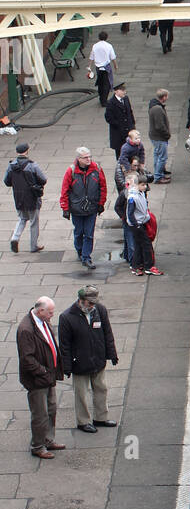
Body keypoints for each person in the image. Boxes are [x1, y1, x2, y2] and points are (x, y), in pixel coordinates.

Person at [58, 285, 118, 433]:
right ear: (81, 300)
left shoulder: (100, 310)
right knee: (81, 394)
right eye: (90, 303)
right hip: (80, 362)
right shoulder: (66, 317)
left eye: (94, 303)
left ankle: (101, 417)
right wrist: (67, 367)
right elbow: (64, 345)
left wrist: (112, 354)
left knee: (101, 389)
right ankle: (83, 421)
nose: (93, 306)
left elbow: (107, 334)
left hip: (98, 358)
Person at [16, 297, 65, 459]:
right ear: (40, 311)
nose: (52, 315)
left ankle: (48, 440)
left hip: (47, 376)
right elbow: (27, 359)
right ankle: (38, 446)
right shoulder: (26, 329)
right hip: (38, 379)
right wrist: (43, 371)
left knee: (51, 409)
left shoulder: (42, 321)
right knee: (40, 414)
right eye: (50, 312)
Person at [59, 146, 107, 270]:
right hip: (76, 208)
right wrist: (65, 207)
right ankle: (80, 250)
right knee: (79, 232)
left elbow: (103, 187)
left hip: (91, 207)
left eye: (89, 156)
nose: (88, 159)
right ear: (78, 159)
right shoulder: (71, 171)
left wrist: (101, 203)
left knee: (89, 234)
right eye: (85, 157)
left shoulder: (97, 169)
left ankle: (86, 257)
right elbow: (64, 190)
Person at [4, 140, 46, 254]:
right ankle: (33, 246)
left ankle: (15, 238)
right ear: (27, 151)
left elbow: (7, 182)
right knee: (33, 221)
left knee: (22, 218)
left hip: (18, 197)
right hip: (32, 198)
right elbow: (43, 179)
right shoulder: (32, 165)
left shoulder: (11, 166)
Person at [127, 175, 162, 276]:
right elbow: (130, 213)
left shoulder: (139, 193)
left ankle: (136, 266)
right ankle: (148, 266)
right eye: (143, 185)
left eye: (145, 184)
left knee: (139, 245)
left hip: (140, 222)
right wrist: (136, 225)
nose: (145, 186)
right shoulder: (133, 197)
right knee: (146, 245)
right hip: (138, 224)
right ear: (137, 185)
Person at [114, 154, 142, 263]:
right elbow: (117, 206)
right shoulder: (125, 193)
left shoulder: (139, 191)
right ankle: (133, 263)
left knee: (129, 239)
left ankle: (128, 257)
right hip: (128, 219)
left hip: (136, 218)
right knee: (131, 242)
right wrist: (124, 217)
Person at [104, 81, 135, 160]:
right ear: (116, 91)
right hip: (118, 134)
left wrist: (132, 125)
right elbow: (108, 118)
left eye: (124, 90)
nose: (125, 92)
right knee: (121, 156)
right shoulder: (111, 103)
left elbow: (130, 112)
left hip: (129, 132)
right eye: (122, 90)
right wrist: (119, 125)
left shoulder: (126, 99)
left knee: (132, 154)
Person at [88, 30, 117, 107]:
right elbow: (112, 57)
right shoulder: (109, 46)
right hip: (106, 67)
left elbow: (91, 56)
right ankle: (104, 101)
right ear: (106, 37)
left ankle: (101, 98)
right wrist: (115, 65)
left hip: (98, 67)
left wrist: (89, 66)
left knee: (100, 83)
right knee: (106, 84)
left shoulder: (95, 46)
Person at [148, 89, 171, 182]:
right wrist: (167, 134)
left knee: (157, 155)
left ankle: (159, 173)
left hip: (155, 136)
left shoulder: (154, 106)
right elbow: (160, 126)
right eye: (167, 96)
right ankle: (158, 177)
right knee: (162, 157)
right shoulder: (158, 109)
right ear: (164, 97)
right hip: (159, 137)